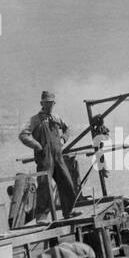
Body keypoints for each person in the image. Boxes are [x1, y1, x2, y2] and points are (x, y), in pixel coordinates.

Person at [19, 89, 79, 219]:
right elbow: (23, 135)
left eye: (52, 103)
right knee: (44, 185)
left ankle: (69, 211)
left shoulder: (56, 117)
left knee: (67, 182)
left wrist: (63, 139)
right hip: (44, 158)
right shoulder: (34, 120)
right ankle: (41, 217)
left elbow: (68, 128)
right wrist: (36, 145)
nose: (50, 105)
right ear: (42, 103)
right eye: (47, 103)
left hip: (58, 157)